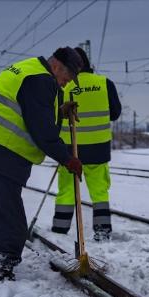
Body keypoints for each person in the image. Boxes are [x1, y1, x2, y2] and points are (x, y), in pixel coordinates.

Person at [0, 47, 85, 284]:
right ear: (57, 66)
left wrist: (59, 110)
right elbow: (42, 130)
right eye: (66, 79)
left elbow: (27, 109)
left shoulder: (28, 68)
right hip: (0, 152)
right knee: (12, 221)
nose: (65, 85)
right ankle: (2, 271)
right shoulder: (42, 81)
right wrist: (67, 158)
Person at [52, 47, 122, 241]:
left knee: (66, 191)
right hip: (98, 149)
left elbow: (52, 114)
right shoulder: (104, 83)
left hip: (68, 151)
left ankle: (59, 231)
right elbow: (115, 113)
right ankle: (102, 232)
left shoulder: (62, 85)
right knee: (99, 192)